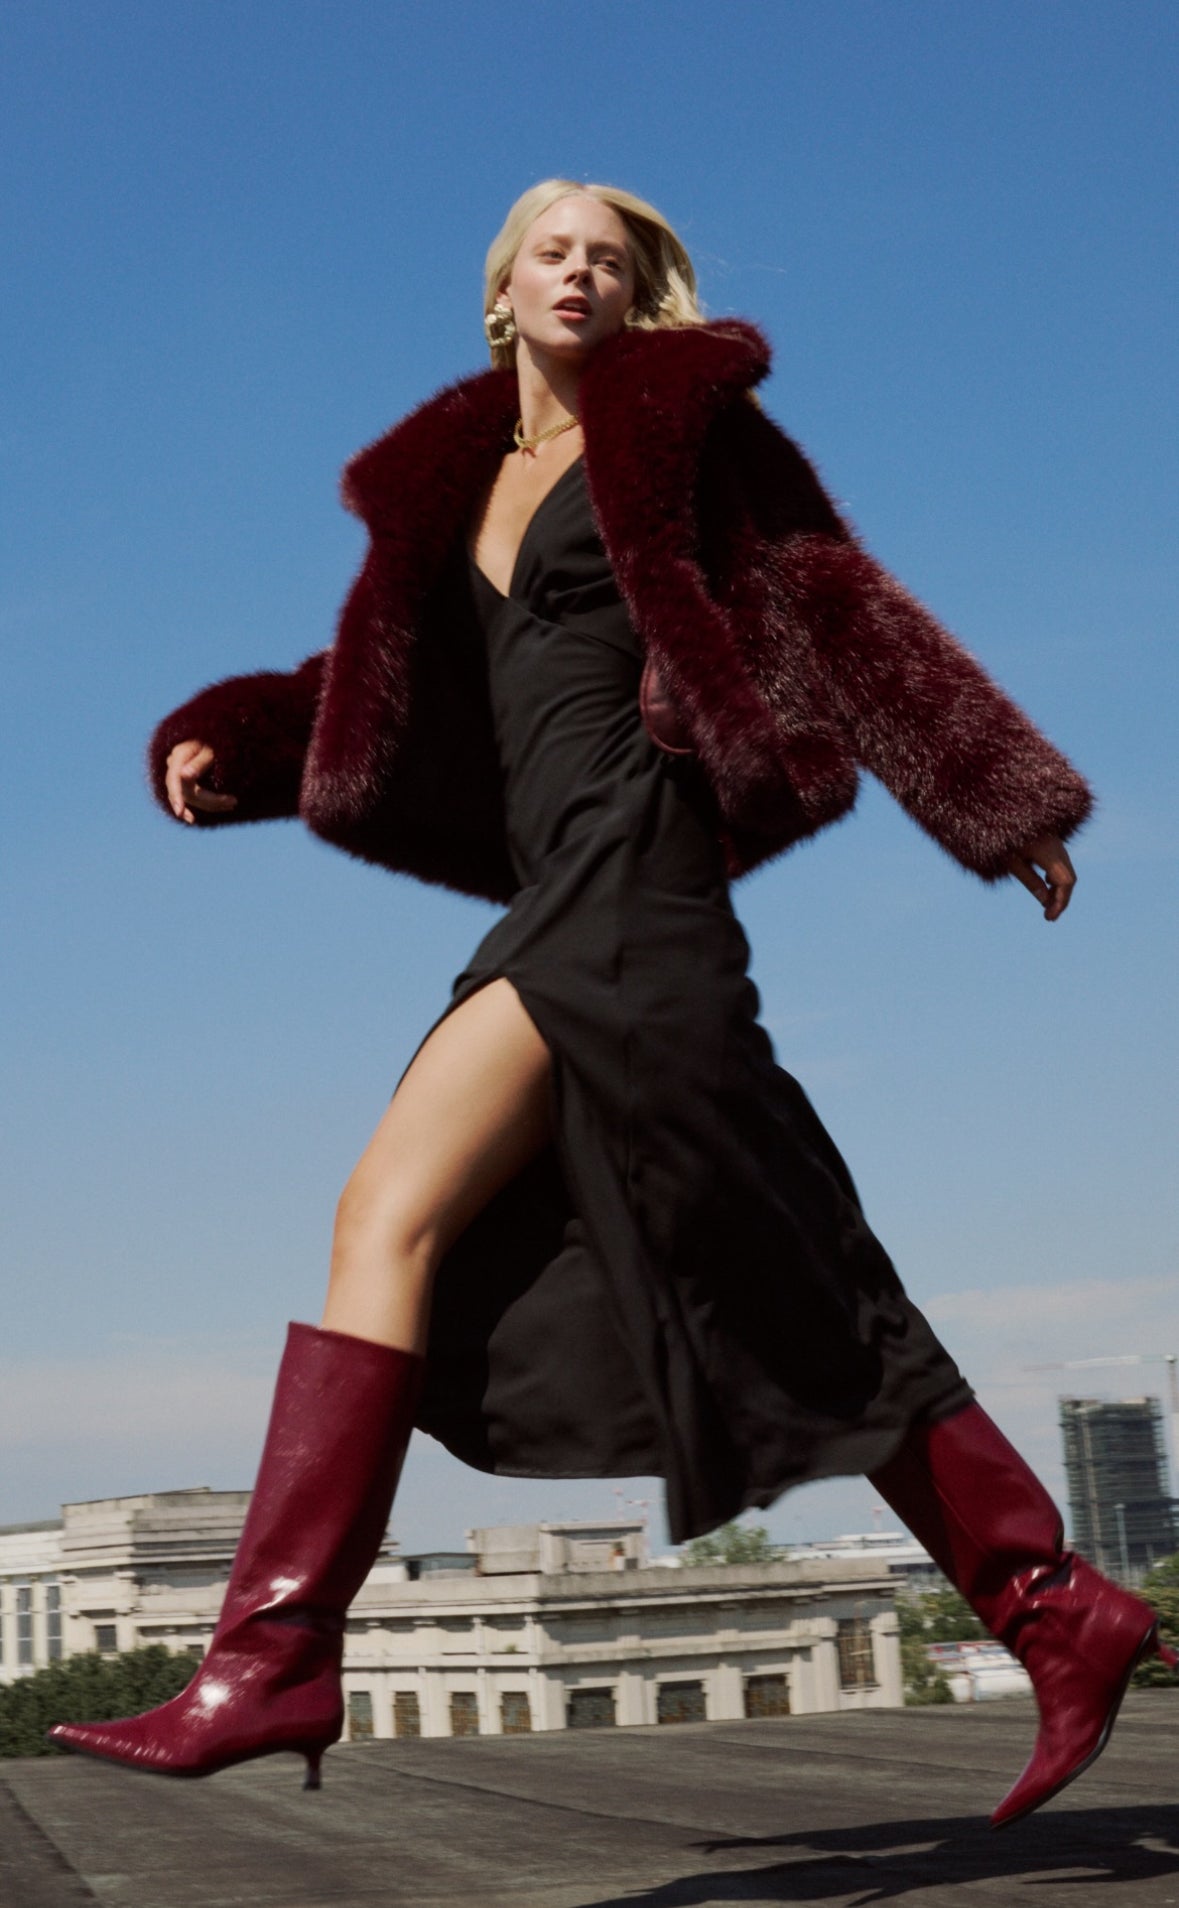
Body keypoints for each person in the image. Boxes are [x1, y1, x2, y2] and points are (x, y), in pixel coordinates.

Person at [50, 179, 1173, 1823]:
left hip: (641, 872)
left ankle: (273, 1656)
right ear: (501, 290)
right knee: (783, 1274)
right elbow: (391, 693)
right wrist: (240, 745)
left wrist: (993, 798)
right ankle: (1054, 1605)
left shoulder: (682, 436)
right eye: (553, 251)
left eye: (612, 259)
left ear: (640, 296)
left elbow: (832, 598)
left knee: (393, 1215)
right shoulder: (449, 487)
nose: (580, 271)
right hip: (554, 888)